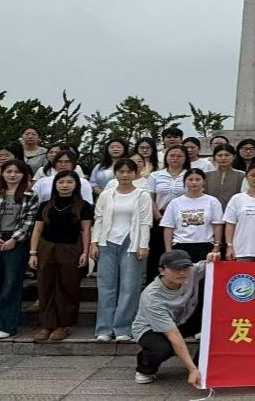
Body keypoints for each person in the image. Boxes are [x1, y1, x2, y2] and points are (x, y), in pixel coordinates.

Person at [132, 250, 220, 386]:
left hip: (183, 319)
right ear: (162, 270)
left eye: (185, 267)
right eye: (175, 269)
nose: (182, 272)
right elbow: (173, 335)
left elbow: (211, 264)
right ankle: (145, 368)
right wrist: (191, 369)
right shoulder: (152, 296)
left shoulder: (192, 272)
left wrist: (214, 256)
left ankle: (201, 365)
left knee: (218, 323)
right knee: (162, 349)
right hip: (151, 328)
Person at [0, 160, 39, 339]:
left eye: (17, 172)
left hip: (16, 241)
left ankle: (5, 325)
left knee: (11, 283)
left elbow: (29, 220)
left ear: (24, 175)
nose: (12, 175)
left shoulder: (30, 195)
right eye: (8, 171)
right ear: (1, 174)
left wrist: (14, 239)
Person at [91, 159, 153, 343]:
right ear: (115, 173)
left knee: (129, 287)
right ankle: (104, 328)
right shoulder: (106, 195)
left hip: (131, 243)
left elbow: (146, 222)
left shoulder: (142, 195)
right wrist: (94, 242)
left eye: (129, 172)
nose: (125, 175)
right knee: (106, 287)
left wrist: (143, 245)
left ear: (135, 173)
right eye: (121, 171)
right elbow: (99, 218)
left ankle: (123, 328)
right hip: (107, 242)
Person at [28, 170, 91, 342]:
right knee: (45, 285)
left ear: (76, 185)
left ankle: (63, 325)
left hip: (71, 247)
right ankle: (47, 324)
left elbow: (86, 230)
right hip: (46, 247)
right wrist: (33, 253)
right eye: (61, 182)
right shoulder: (45, 205)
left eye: (69, 182)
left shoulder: (83, 205)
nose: (65, 185)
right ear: (55, 184)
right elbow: (37, 230)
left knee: (68, 286)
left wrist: (85, 252)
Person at [145, 146, 190, 282]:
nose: (175, 158)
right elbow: (150, 198)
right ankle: (155, 283)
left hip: (184, 217)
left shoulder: (189, 175)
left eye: (179, 156)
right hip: (160, 216)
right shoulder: (155, 175)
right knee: (157, 252)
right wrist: (159, 217)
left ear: (185, 158)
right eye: (172, 155)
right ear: (166, 157)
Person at [161, 168, 224, 263]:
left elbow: (217, 225)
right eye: (190, 179)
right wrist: (168, 250)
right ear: (184, 182)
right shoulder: (175, 203)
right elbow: (168, 227)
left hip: (205, 245)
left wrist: (216, 246)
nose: (194, 182)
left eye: (198, 179)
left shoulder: (213, 201)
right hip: (180, 245)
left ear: (204, 182)